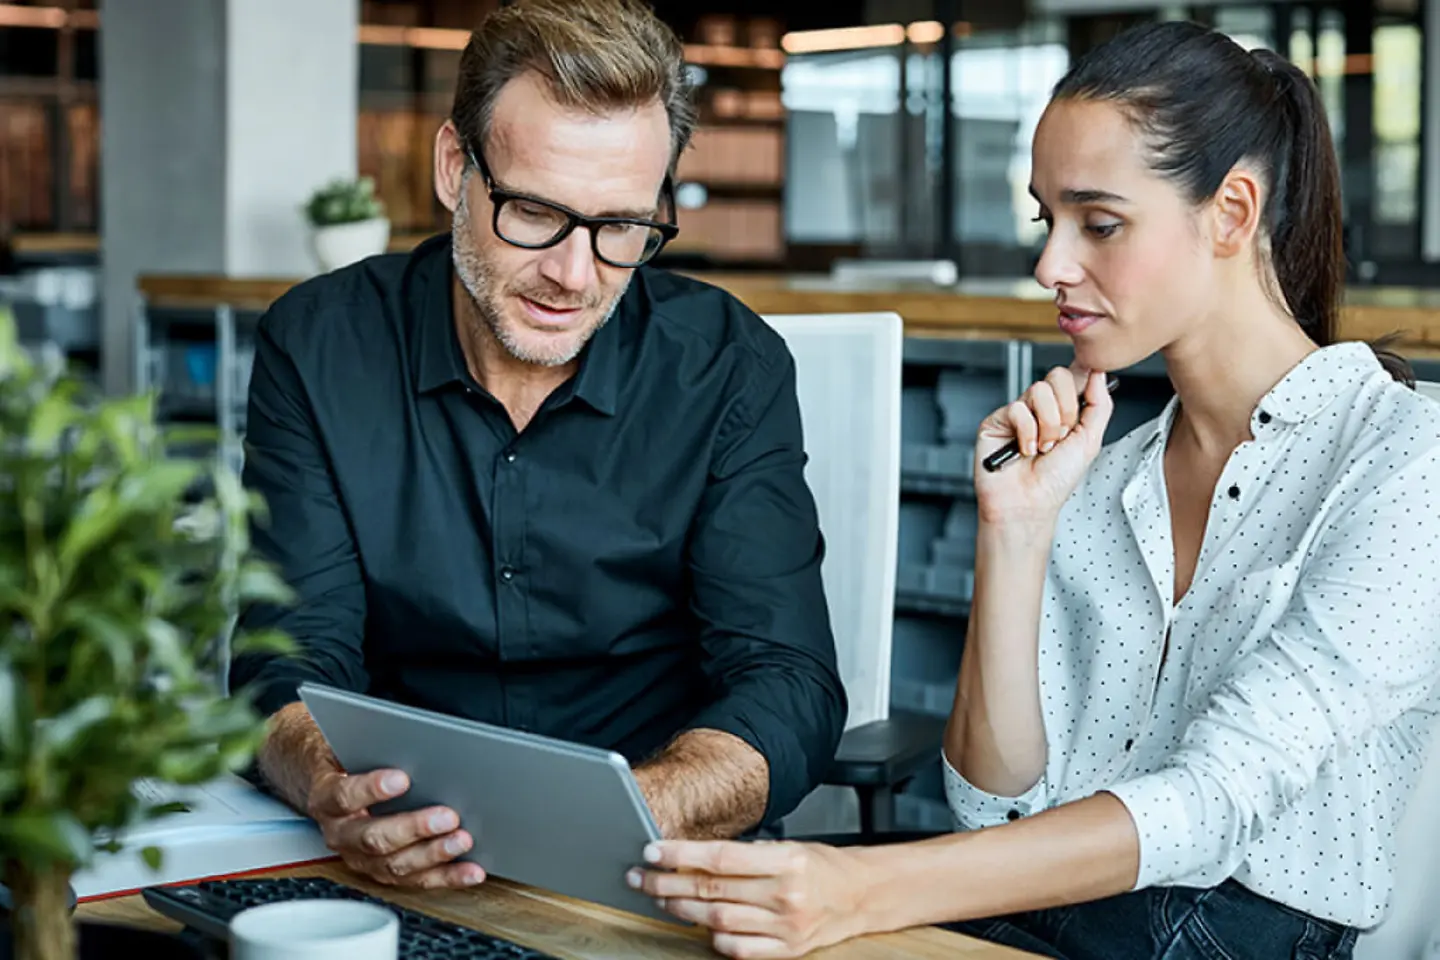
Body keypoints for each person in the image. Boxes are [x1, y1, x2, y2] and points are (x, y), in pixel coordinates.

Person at [629, 20, 1440, 960]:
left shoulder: (1405, 457)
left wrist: (862, 886)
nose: (1051, 266)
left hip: (1244, 927)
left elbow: (1215, 802)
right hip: (1075, 911)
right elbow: (991, 801)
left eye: (1099, 223)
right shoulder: (1109, 476)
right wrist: (1014, 532)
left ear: (1232, 211)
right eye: (1045, 221)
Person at [230, 0, 846, 892]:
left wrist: (635, 810)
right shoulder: (319, 345)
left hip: (651, 858)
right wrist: (333, 786)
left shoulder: (727, 368)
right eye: (533, 212)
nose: (575, 274)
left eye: (622, 226)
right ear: (455, 168)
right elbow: (285, 658)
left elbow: (787, 683)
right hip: (392, 851)